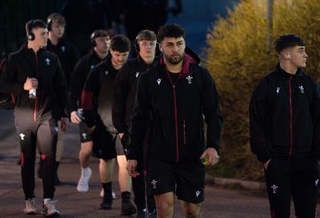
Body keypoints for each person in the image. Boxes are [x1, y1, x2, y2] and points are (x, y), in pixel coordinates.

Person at [126, 24, 223, 218]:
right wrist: (133, 153)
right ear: (160, 47)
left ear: (185, 44)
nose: (175, 49)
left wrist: (213, 146)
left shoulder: (201, 76)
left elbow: (214, 114)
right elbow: (139, 118)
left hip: (193, 155)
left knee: (192, 211)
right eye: (169, 44)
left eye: (179, 44)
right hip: (159, 155)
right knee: (164, 207)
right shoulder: (148, 79)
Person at [249, 34, 320, 218]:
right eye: (301, 50)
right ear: (287, 55)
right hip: (278, 164)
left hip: (307, 163)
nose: (306, 55)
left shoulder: (311, 87)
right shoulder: (266, 86)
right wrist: (267, 159)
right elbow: (256, 123)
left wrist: (316, 157)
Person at [0, 19, 68, 216]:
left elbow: (61, 87)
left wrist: (64, 113)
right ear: (30, 36)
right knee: (27, 158)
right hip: (24, 118)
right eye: (43, 34)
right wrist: (23, 86)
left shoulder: (52, 59)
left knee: (48, 157)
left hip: (47, 116)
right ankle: (29, 200)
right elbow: (3, 85)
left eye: (47, 33)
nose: (47, 37)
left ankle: (48, 202)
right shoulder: (14, 59)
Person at [82, 34, 137, 216]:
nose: (121, 58)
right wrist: (90, 123)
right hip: (103, 125)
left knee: (124, 162)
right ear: (111, 51)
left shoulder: (133, 71)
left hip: (125, 127)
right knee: (106, 161)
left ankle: (126, 200)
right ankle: (106, 194)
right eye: (117, 54)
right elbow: (87, 97)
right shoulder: (98, 70)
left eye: (125, 54)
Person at [112, 30, 159, 218]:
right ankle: (142, 208)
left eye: (151, 43)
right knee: (136, 170)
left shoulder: (163, 67)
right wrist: (121, 130)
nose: (148, 47)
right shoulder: (128, 70)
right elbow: (118, 101)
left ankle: (154, 208)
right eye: (144, 43)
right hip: (133, 128)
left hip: (158, 128)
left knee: (155, 169)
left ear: (157, 46)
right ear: (137, 46)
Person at [68, 29, 110, 193]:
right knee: (86, 149)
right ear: (93, 43)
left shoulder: (114, 61)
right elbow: (74, 88)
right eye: (101, 40)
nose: (105, 42)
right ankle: (85, 170)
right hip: (87, 110)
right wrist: (72, 110)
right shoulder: (84, 63)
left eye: (107, 39)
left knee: (107, 153)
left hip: (107, 112)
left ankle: (105, 187)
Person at [41, 12, 80, 186]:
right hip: (42, 99)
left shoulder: (69, 47)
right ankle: (43, 163)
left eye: (62, 26)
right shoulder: (41, 47)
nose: (60, 30)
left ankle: (52, 171)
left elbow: (77, 70)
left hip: (61, 97)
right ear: (49, 28)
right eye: (57, 26)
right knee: (41, 135)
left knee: (59, 135)